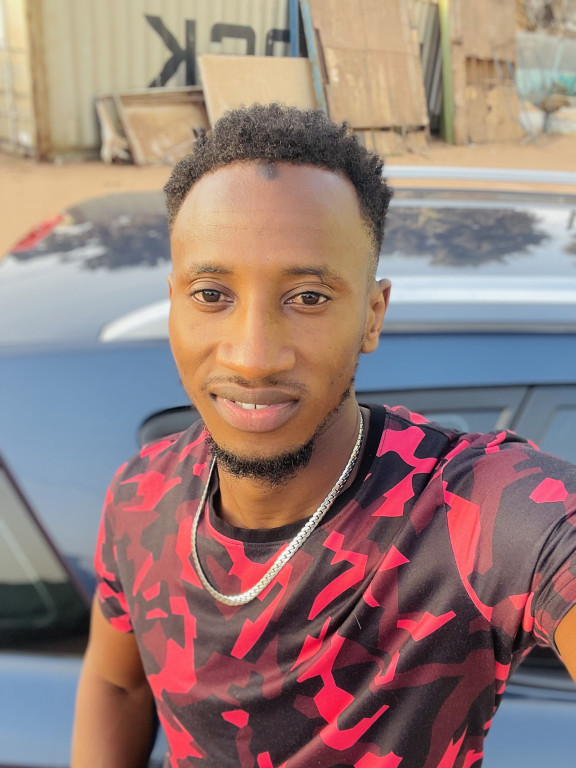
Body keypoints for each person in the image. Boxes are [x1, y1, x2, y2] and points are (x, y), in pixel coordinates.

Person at [71, 104, 576, 768]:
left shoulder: (476, 511)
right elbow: (118, 684)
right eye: (211, 294)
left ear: (372, 316)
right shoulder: (141, 496)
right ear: (174, 303)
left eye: (308, 297)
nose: (253, 357)